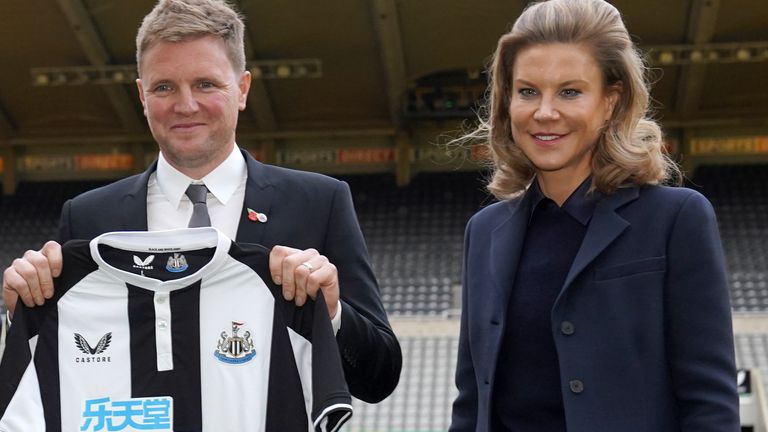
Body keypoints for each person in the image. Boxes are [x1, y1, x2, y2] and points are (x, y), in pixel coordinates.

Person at [2, 0, 400, 404]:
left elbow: (378, 377)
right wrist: (25, 311)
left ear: (242, 89)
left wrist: (331, 313)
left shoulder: (319, 202)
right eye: (163, 87)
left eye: (206, 84)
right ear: (141, 96)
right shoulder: (89, 216)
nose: (185, 105)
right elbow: (54, 378)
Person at [449, 0, 739, 431]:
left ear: (610, 101)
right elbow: (472, 402)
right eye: (527, 91)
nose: (545, 112)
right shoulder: (485, 231)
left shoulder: (676, 219)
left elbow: (709, 404)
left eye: (570, 91)